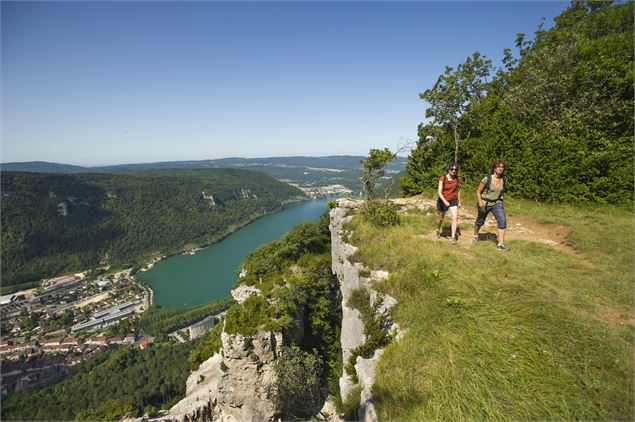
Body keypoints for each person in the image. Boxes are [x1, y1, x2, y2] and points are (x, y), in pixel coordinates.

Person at [473, 160, 509, 251]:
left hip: (496, 203)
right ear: (494, 168)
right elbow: (478, 192)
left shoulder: (504, 179)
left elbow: (502, 191)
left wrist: (501, 200)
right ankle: (475, 235)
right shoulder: (487, 179)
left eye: (502, 167)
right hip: (485, 203)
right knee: (480, 221)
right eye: (498, 166)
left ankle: (500, 243)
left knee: (502, 221)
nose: (500, 168)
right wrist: (480, 203)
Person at [436, 162, 461, 244]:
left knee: (455, 218)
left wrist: (459, 201)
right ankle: (438, 228)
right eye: (452, 169)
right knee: (441, 218)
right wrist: (445, 201)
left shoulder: (457, 179)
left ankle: (453, 237)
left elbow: (458, 190)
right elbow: (439, 192)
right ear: (448, 169)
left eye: (455, 169)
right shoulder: (443, 178)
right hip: (443, 199)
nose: (454, 171)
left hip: (453, 200)